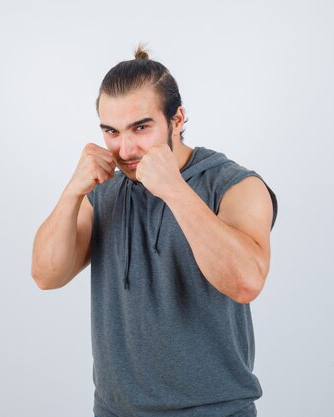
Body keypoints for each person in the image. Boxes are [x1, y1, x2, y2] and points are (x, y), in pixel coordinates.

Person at [31, 45, 278, 417]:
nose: (125, 148)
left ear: (177, 119)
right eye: (111, 131)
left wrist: (174, 189)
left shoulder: (234, 185)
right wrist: (72, 191)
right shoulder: (105, 191)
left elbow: (246, 282)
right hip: (115, 410)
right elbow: (46, 275)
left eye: (141, 127)